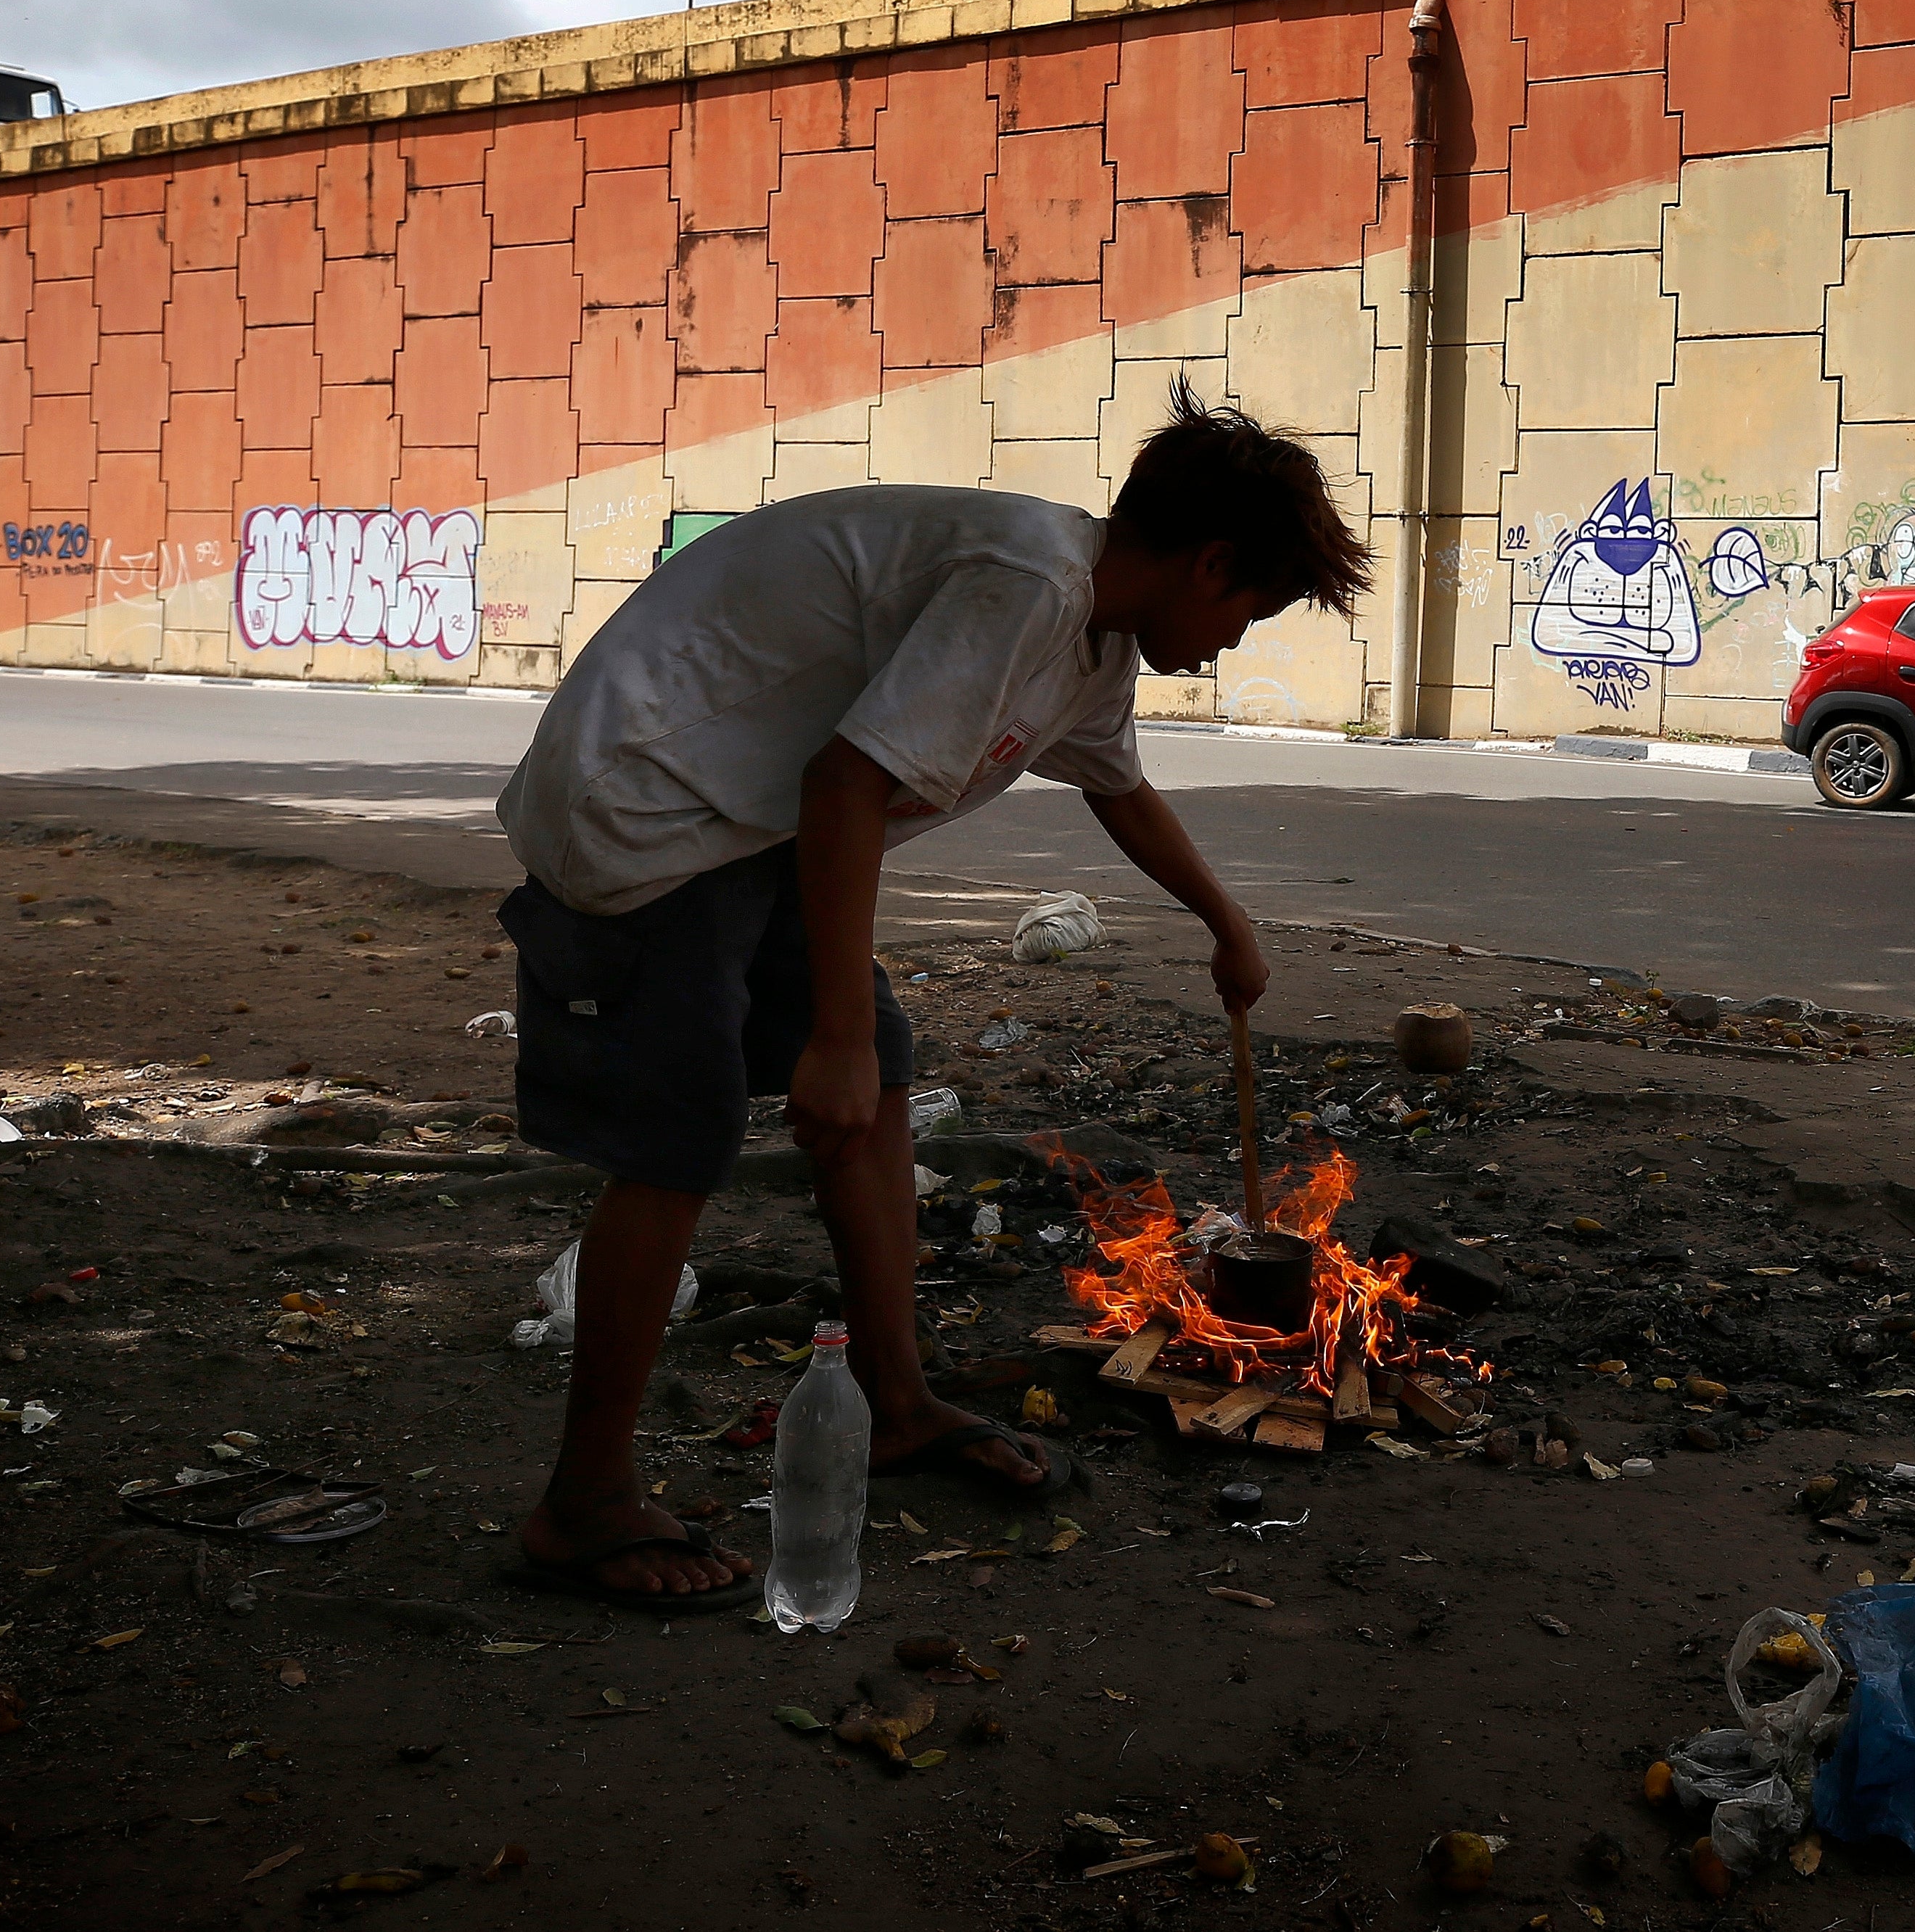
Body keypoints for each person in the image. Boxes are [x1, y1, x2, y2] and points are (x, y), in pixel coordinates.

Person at [489, 388, 1371, 1607]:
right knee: (677, 1142)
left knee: (885, 1078)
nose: (1232, 640)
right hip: (647, 802)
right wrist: (828, 1036)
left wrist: (1225, 922)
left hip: (751, 822)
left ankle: (895, 1402)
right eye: (1247, 609)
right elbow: (849, 783)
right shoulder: (1032, 583)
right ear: (1209, 560)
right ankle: (581, 1501)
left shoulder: (1098, 634)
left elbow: (1115, 784)